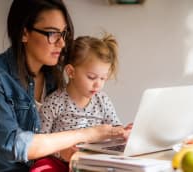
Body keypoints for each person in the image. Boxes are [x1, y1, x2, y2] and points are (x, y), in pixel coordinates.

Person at [0, 0, 126, 171]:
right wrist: (87, 133)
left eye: (63, 33)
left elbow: (56, 139)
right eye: (52, 33)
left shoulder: (55, 75)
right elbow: (13, 145)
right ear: (24, 33)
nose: (62, 43)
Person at [35, 33, 132, 166]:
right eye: (92, 77)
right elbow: (40, 143)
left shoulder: (102, 100)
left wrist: (124, 131)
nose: (98, 84)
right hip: (61, 163)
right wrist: (61, 152)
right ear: (71, 72)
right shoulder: (54, 103)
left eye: (103, 78)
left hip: (94, 162)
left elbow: (114, 128)